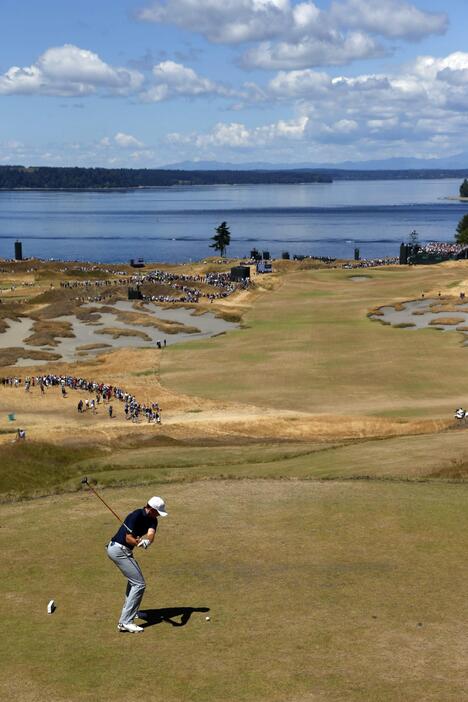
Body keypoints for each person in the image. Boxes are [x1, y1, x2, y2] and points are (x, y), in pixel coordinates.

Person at [106, 496, 168, 633]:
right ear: (151, 509)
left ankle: (131, 612)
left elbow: (151, 534)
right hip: (118, 549)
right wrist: (139, 543)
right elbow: (128, 538)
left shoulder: (153, 520)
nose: (158, 514)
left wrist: (147, 541)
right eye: (157, 512)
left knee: (134, 581)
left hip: (123, 550)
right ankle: (125, 622)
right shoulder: (136, 515)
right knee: (139, 584)